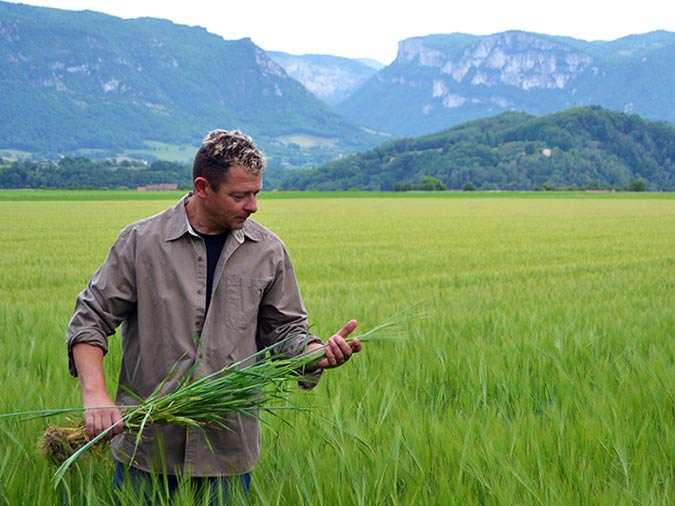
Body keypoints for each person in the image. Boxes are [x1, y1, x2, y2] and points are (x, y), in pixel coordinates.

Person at [66, 129, 361, 501]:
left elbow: (286, 332)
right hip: (148, 447)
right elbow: (90, 318)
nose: (253, 206)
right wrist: (96, 396)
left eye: (256, 193)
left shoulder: (268, 251)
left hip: (227, 449)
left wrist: (315, 353)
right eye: (240, 196)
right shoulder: (141, 242)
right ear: (202, 187)